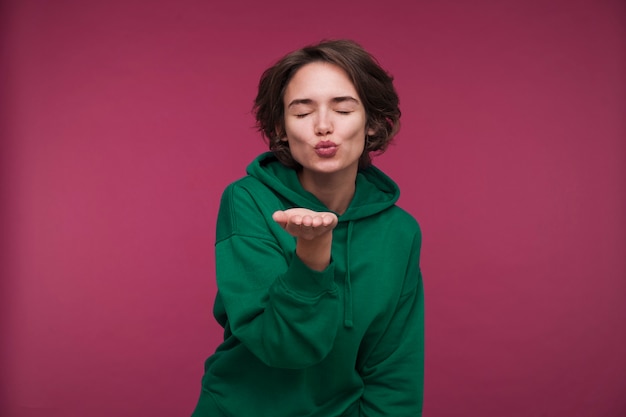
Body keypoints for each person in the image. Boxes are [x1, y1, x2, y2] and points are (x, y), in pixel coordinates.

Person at [192, 39, 424, 417]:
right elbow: (285, 347)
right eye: (302, 113)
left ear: (372, 124)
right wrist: (313, 255)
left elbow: (394, 371)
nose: (323, 126)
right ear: (281, 130)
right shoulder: (248, 201)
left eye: (343, 109)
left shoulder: (400, 232)